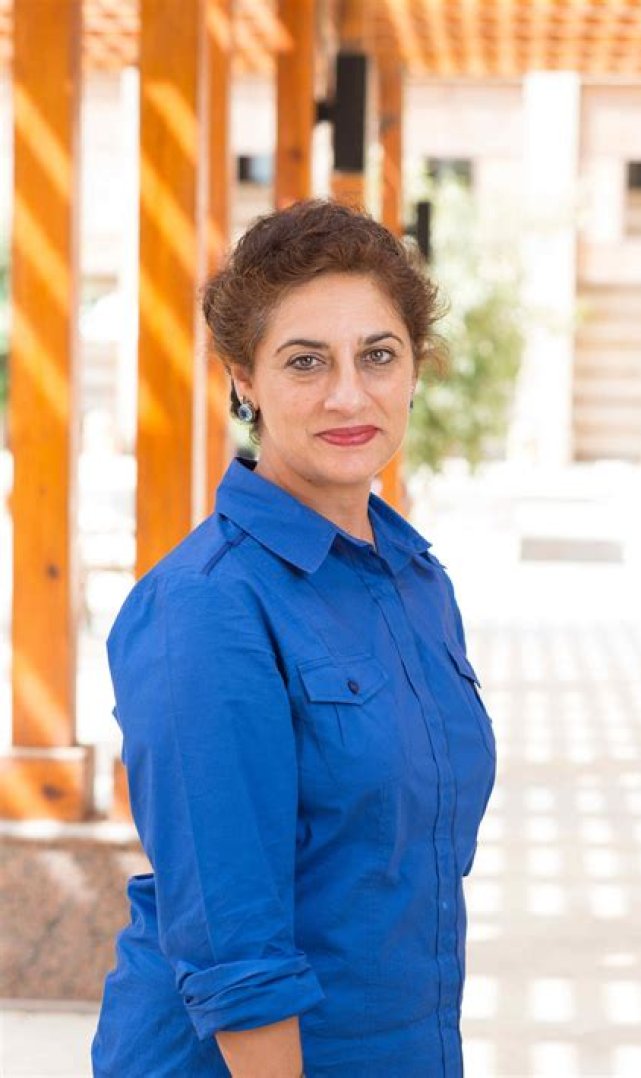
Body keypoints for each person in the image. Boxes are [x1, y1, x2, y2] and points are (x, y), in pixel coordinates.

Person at [91, 199, 497, 1077]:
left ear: (414, 369)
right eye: (305, 361)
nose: (348, 394)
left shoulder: (415, 580)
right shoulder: (205, 606)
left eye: (378, 355)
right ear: (243, 377)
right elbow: (233, 944)